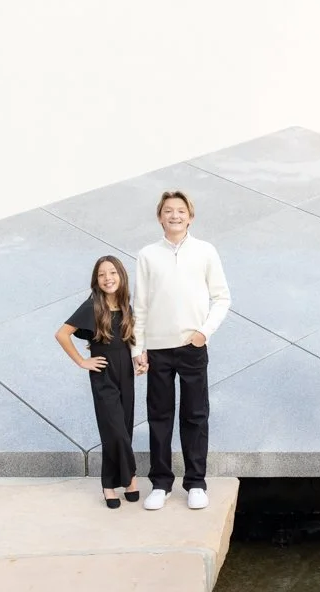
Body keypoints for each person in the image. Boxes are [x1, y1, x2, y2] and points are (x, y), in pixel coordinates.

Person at [132, 190, 231, 511]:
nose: (175, 215)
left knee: (195, 416)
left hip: (192, 347)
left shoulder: (205, 251)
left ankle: (196, 483)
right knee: (159, 418)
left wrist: (204, 333)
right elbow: (140, 305)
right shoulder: (147, 255)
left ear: (191, 216)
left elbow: (222, 298)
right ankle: (160, 484)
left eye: (181, 211)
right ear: (159, 217)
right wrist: (138, 348)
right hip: (157, 350)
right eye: (168, 211)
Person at [55, 255, 140, 509]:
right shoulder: (92, 305)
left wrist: (140, 359)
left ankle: (115, 482)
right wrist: (82, 361)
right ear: (96, 280)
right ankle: (125, 479)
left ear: (121, 275)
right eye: (101, 274)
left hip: (126, 374)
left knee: (124, 429)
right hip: (104, 375)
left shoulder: (126, 305)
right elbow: (62, 334)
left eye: (112, 272)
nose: (107, 278)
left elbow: (130, 340)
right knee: (114, 431)